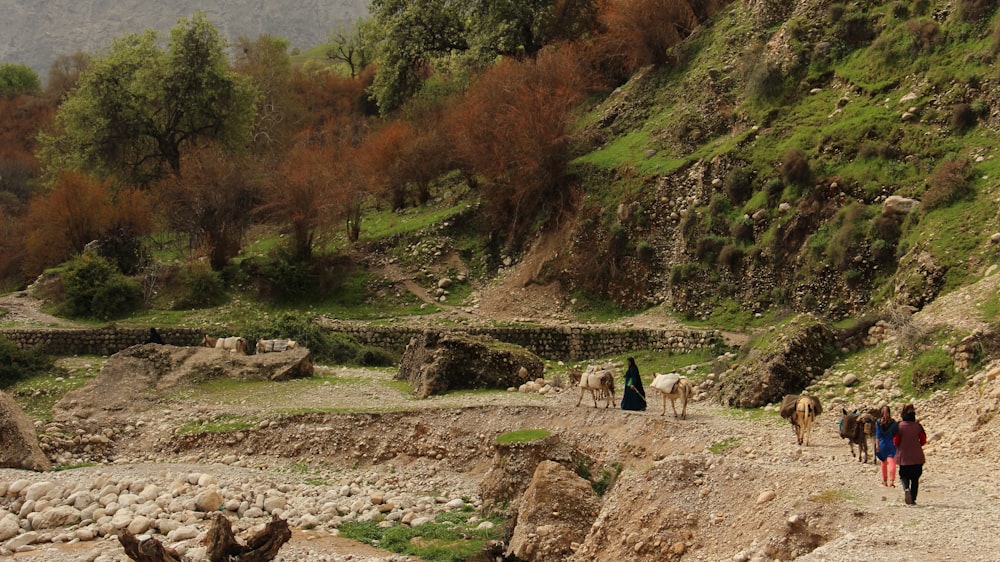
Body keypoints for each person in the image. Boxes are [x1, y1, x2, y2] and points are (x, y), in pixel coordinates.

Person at [893, 403, 926, 506]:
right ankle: (913, 498)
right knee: (915, 478)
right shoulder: (918, 426)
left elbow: (896, 441)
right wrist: (917, 444)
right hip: (917, 456)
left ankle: (906, 488)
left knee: (904, 475)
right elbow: (923, 440)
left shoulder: (899, 426)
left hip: (904, 456)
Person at [874, 404, 898, 487]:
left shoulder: (878, 422)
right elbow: (896, 434)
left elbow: (877, 435)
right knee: (892, 461)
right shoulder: (894, 423)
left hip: (882, 444)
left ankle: (884, 481)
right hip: (892, 444)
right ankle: (892, 480)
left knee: (883, 462)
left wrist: (877, 445)